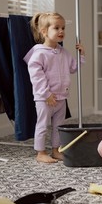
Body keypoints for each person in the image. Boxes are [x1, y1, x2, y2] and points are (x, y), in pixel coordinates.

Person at [23, 12, 85, 163]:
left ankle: (56, 150)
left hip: (61, 97)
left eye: (63, 28)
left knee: (59, 126)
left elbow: (74, 68)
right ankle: (40, 152)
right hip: (45, 98)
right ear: (44, 31)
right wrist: (46, 94)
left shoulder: (64, 52)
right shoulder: (39, 54)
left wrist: (81, 55)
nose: (61, 31)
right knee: (42, 125)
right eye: (56, 28)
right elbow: (36, 77)